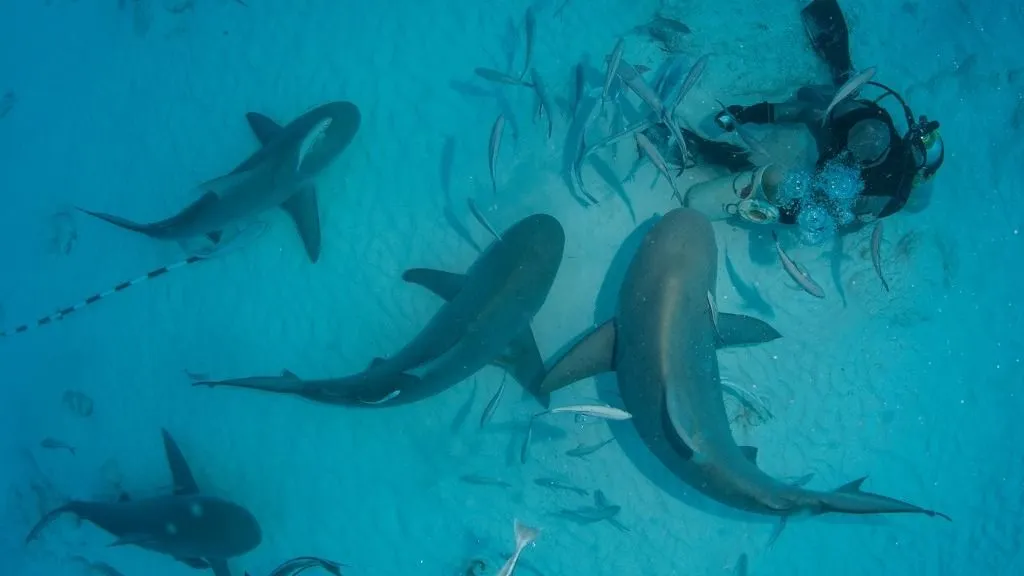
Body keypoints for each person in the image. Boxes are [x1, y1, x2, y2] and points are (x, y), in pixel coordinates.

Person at [686, 0, 944, 243]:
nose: (851, 158)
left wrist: (780, 214)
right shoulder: (862, 118)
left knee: (781, 178)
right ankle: (844, 78)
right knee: (809, 94)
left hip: (846, 193)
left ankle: (710, 159)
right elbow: (805, 112)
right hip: (843, 127)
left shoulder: (878, 197)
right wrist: (750, 114)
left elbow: (839, 220)